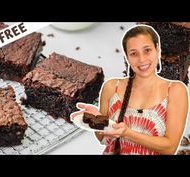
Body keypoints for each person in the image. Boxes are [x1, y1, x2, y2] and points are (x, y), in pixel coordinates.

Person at [70, 24, 189, 155]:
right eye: (133, 53)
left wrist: (128, 133)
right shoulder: (111, 87)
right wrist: (96, 120)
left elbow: (170, 148)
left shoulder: (175, 90)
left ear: (158, 50)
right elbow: (103, 139)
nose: (142, 59)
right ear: (127, 57)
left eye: (147, 50)